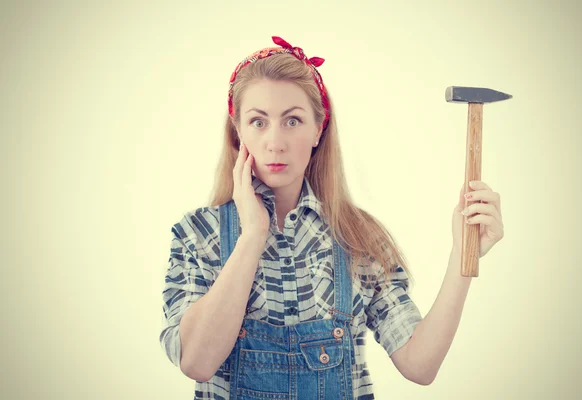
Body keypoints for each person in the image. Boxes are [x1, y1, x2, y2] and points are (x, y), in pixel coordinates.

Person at [159, 36, 505, 399]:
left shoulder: (359, 237)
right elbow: (196, 362)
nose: (275, 141)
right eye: (258, 122)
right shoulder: (197, 234)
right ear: (238, 133)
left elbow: (420, 364)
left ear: (318, 129)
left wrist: (462, 256)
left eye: (292, 121)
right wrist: (252, 237)